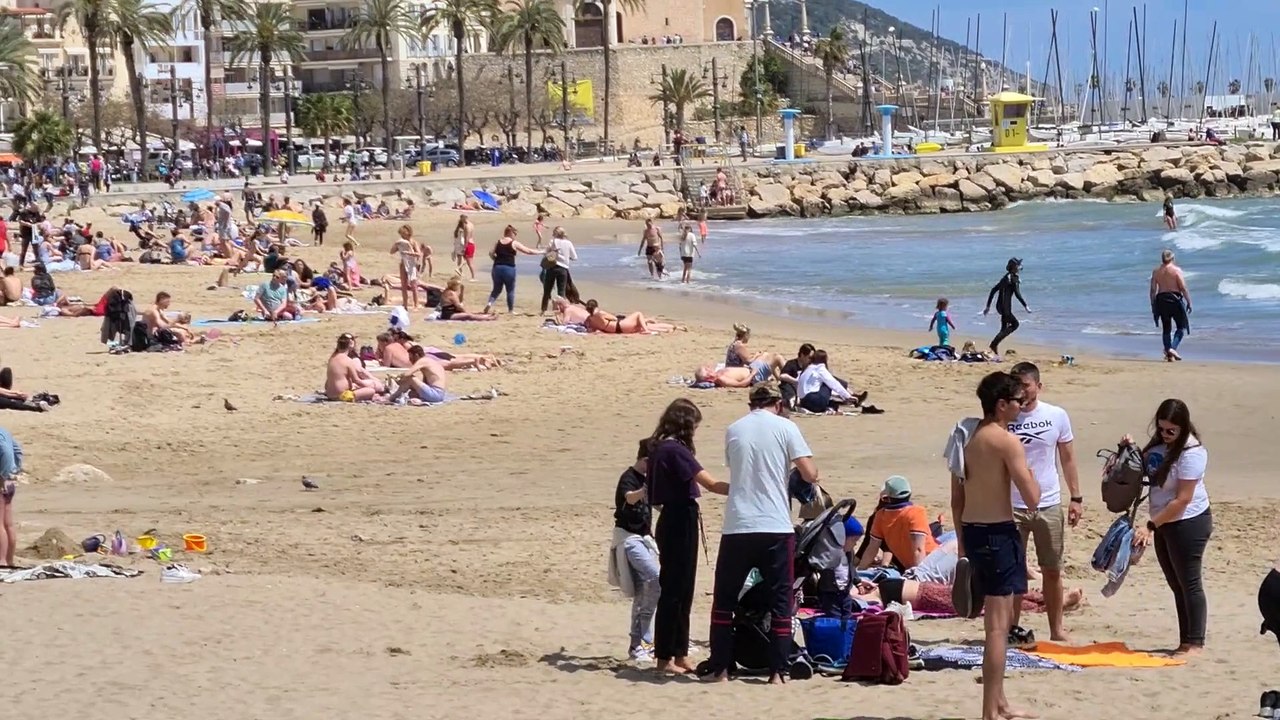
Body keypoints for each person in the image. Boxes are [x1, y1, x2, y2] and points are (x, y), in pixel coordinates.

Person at [706, 384, 818, 683]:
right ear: (778, 404)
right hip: (775, 526)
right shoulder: (786, 427)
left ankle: (721, 669)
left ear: (750, 404)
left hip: (738, 525)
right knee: (781, 602)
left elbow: (740, 468)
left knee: (724, 600)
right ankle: (777, 672)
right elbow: (810, 473)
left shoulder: (733, 429)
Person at [948, 371, 1040, 720]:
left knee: (994, 627)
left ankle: (999, 702)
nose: (1023, 405)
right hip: (998, 533)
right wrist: (1028, 471)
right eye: (1018, 400)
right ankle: (990, 711)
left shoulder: (965, 436)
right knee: (998, 630)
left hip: (972, 530)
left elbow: (956, 500)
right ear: (1001, 405)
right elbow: (1032, 498)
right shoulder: (1006, 442)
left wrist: (960, 544)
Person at [646, 399, 728, 674]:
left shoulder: (661, 448)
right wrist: (745, 486)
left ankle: (678, 653)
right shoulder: (673, 450)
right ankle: (665, 657)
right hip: (679, 520)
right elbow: (711, 483)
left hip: (673, 519)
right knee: (674, 591)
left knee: (682, 589)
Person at [1127, 399, 1212, 656]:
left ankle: (1195, 642)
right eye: (1161, 429)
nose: (1165, 435)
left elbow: (1183, 499)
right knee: (1175, 583)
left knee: (1190, 582)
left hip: (1189, 522)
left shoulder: (1192, 453)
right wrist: (1128, 449)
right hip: (1163, 519)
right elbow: (1143, 469)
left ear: (1183, 428)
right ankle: (1185, 640)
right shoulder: (1159, 446)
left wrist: (1151, 526)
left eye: (1171, 431)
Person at [1007, 362, 1080, 643]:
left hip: (1048, 503)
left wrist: (1076, 497)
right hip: (1011, 504)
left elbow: (1068, 458)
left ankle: (1056, 629)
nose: (1021, 391)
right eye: (1017, 385)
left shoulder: (1056, 415)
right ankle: (1012, 628)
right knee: (1014, 572)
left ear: (1038, 385)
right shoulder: (1004, 415)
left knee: (1051, 569)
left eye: (1025, 385)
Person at [612, 439, 660, 662]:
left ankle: (642, 642)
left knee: (648, 590)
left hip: (645, 538)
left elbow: (657, 503)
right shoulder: (629, 478)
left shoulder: (648, 479)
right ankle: (639, 643)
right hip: (628, 539)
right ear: (645, 461)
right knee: (654, 576)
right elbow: (629, 497)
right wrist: (645, 489)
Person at [482, 225, 538, 314]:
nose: (515, 236)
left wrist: (495, 259)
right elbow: (528, 251)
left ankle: (489, 303)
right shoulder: (514, 243)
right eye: (515, 234)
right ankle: (510, 310)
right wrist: (542, 252)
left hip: (497, 268)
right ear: (511, 233)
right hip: (509, 268)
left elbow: (491, 253)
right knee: (510, 289)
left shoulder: (498, 242)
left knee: (496, 288)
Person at [983, 257, 1031, 357]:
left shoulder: (1005, 277)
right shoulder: (1013, 278)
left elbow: (993, 290)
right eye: (1018, 265)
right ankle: (993, 344)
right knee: (1015, 324)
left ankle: (995, 349)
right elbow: (1017, 294)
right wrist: (1025, 306)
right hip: (1005, 308)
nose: (1019, 267)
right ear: (1014, 267)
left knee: (1004, 329)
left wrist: (988, 306)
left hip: (1000, 306)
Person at [1151, 249, 1191, 362]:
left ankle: (1169, 354)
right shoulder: (1176, 270)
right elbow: (1183, 287)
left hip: (1161, 299)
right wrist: (1189, 301)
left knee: (1166, 328)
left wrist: (1153, 304)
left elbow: (1153, 290)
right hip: (1175, 299)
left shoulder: (1156, 271)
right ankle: (1172, 348)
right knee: (1181, 327)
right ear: (1172, 258)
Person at [795, 349, 865, 413]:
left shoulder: (808, 368)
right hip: (814, 403)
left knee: (825, 383)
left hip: (804, 402)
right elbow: (833, 384)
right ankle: (850, 399)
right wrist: (847, 396)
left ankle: (847, 399)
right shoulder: (820, 368)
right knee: (828, 383)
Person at [324, 333, 387, 402]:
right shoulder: (348, 360)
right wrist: (370, 386)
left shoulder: (332, 358)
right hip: (342, 395)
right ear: (351, 344)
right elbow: (356, 380)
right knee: (371, 391)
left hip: (329, 394)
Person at [582, 299, 680, 334]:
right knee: (638, 314)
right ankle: (647, 330)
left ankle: (672, 328)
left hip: (616, 331)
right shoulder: (600, 313)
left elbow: (593, 329)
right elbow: (614, 318)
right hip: (620, 325)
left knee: (643, 324)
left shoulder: (590, 319)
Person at [540, 227, 577, 315]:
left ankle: (543, 310)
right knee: (561, 291)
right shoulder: (568, 243)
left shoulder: (553, 241)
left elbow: (546, 252)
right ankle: (561, 310)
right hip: (563, 268)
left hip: (552, 267)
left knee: (547, 290)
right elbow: (575, 257)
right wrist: (567, 257)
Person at [693, 353, 784, 388]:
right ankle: (788, 379)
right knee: (777, 357)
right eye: (707, 371)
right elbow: (741, 384)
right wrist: (752, 374)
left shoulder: (718, 373)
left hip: (750, 368)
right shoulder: (721, 378)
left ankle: (779, 379)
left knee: (765, 354)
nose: (709, 369)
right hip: (755, 376)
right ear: (708, 378)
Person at [0, 425, 20, 567]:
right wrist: (15, 470)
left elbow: (5, 451)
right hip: (10, 481)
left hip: (2, 481)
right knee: (8, 524)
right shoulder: (4, 431)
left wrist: (2, 476)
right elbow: (17, 450)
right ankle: (9, 560)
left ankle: (1, 561)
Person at [391, 224, 424, 309]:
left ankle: (416, 304)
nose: (402, 236)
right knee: (403, 285)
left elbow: (419, 254)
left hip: (412, 265)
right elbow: (392, 251)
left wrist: (408, 253)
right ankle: (405, 304)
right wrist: (396, 244)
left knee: (413, 285)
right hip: (403, 264)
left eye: (403, 234)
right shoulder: (402, 243)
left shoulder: (413, 242)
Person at [778, 344, 814, 410]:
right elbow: (782, 376)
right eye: (809, 357)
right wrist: (796, 381)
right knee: (786, 386)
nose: (811, 360)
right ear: (802, 355)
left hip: (806, 388)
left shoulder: (810, 366)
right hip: (791, 387)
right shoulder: (792, 364)